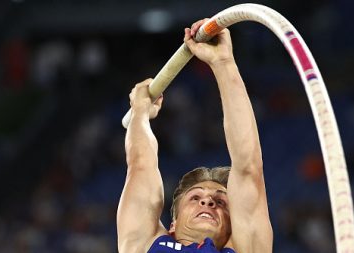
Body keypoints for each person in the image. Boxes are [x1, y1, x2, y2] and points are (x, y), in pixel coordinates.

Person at [117, 18, 273, 253]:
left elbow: (248, 167)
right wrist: (140, 114)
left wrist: (223, 62)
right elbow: (140, 166)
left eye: (220, 202)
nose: (207, 201)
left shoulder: (246, 248)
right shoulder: (144, 245)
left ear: (235, 227)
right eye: (195, 198)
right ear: (173, 223)